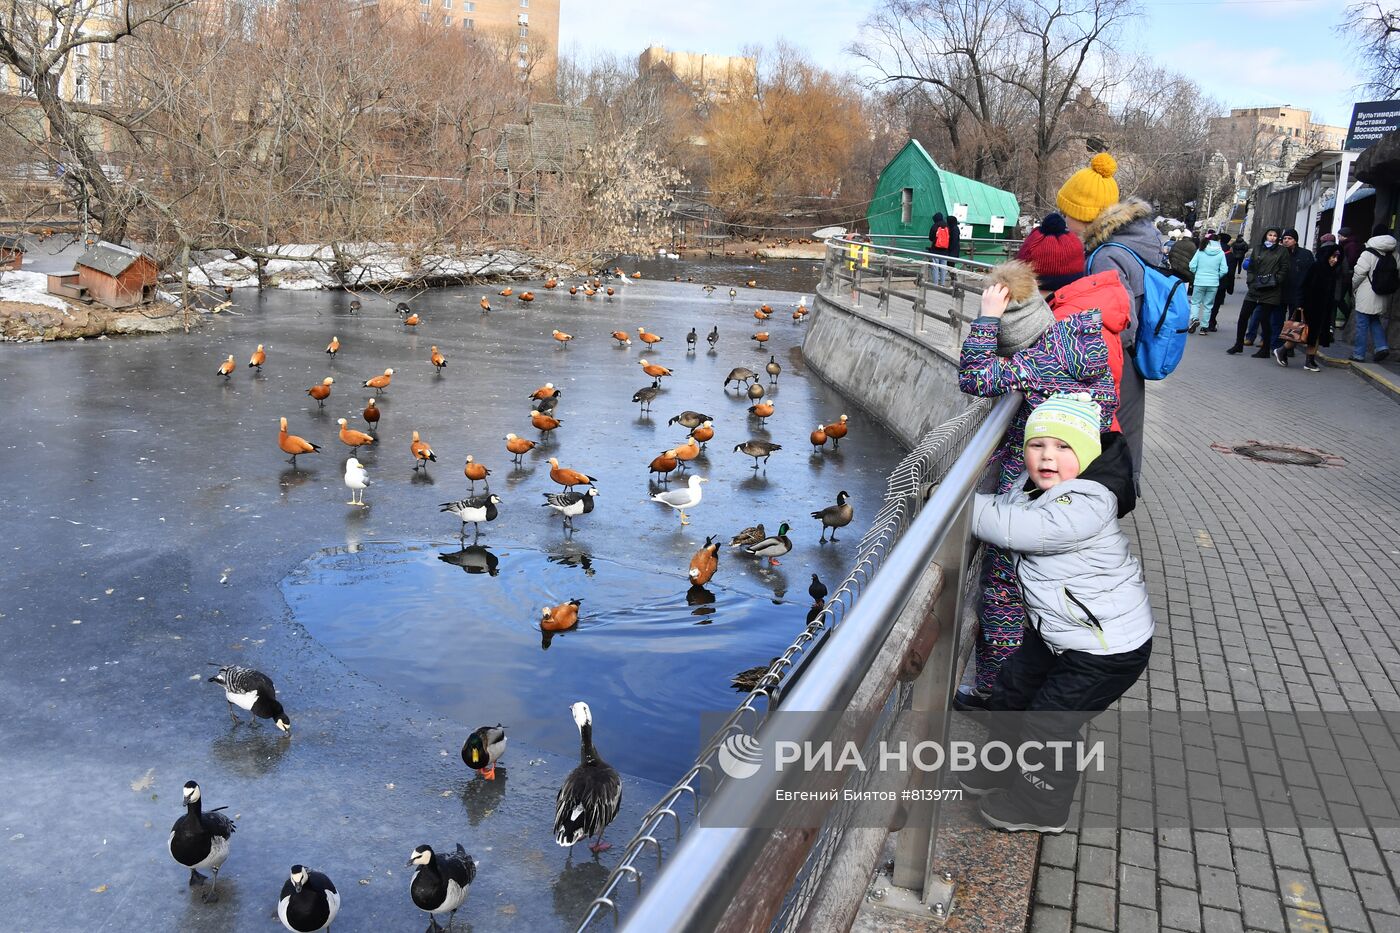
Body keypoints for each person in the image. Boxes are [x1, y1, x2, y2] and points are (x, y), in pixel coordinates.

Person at [960, 393, 1154, 833]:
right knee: (1012, 689)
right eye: (1037, 445)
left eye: (1064, 447)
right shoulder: (1034, 486)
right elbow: (1009, 510)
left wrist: (953, 502)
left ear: (1085, 455)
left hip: (1106, 650)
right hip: (1062, 633)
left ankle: (1041, 808)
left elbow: (1022, 528)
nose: (1047, 456)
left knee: (1049, 722)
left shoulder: (1087, 500)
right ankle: (1003, 767)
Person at [955, 261, 1119, 709]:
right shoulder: (1079, 346)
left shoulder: (1038, 361)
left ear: (1018, 336)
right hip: (1077, 492)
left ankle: (997, 696)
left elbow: (974, 376)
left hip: (1032, 499)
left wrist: (987, 319)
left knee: (1004, 597)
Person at [1056, 152, 1161, 487]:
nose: (1065, 222)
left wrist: (1090, 351)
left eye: (1068, 214)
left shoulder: (1105, 256)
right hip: (1126, 359)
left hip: (1116, 361)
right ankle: (1120, 490)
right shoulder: (1129, 244)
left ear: (1084, 215)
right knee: (1126, 432)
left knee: (1114, 436)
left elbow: (1122, 317)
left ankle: (1111, 497)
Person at [1227, 228, 1289, 357]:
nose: (1272, 237)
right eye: (1270, 235)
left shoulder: (1282, 251)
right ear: (1265, 236)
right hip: (1255, 287)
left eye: (1275, 235)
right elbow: (1251, 267)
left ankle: (1265, 348)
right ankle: (1238, 344)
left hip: (1271, 290)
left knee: (1265, 319)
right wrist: (1250, 281)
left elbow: (1284, 269)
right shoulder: (1258, 248)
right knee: (1243, 316)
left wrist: (1275, 281)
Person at [1350, 222, 1395, 363]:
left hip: (1366, 292)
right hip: (1382, 293)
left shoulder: (1368, 252)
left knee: (1362, 323)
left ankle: (1358, 354)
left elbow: (1359, 273)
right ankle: (1382, 346)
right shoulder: (1394, 253)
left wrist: (1353, 286)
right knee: (1374, 320)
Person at [1296, 242, 1342, 372]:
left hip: (1323, 309)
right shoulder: (1316, 267)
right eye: (1332, 256)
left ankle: (1310, 360)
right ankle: (1283, 350)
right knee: (1300, 333)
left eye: (1337, 257)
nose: (1335, 260)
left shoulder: (1332, 272)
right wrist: (1300, 304)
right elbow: (1304, 285)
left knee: (1316, 335)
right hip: (1309, 306)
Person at [1274, 229, 1314, 366]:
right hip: (1280, 292)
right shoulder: (1279, 253)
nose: (1286, 240)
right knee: (1278, 320)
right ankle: (1278, 345)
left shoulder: (1305, 254)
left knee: (1295, 322)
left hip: (1297, 293)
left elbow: (1310, 273)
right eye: (1284, 238)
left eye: (1289, 238)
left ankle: (1288, 348)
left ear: (1295, 240)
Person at [1188, 235, 1228, 334]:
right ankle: (1204, 328)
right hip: (1213, 283)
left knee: (1195, 302)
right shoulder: (1221, 253)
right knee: (1208, 305)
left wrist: (1197, 273)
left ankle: (1194, 319)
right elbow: (1224, 270)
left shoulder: (1200, 250)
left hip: (1199, 281)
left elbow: (1192, 265)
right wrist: (1216, 276)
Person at [1209, 233, 1235, 331]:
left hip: (1208, 280)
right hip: (1221, 283)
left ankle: (1201, 321)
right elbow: (1231, 273)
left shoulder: (1210, 250)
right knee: (1216, 304)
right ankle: (1211, 322)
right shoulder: (1229, 255)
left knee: (1207, 303)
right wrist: (1230, 287)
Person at [928, 212, 960, 285]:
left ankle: (935, 284)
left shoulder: (934, 226)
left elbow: (930, 238)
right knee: (943, 268)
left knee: (935, 267)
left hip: (935, 250)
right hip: (945, 251)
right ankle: (942, 283)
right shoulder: (947, 226)